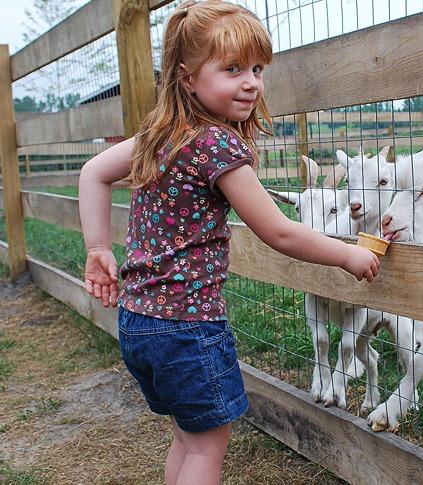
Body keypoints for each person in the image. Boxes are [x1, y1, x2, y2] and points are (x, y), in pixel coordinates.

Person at [78, 2, 379, 484]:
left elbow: (92, 171)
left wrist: (98, 248)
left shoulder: (158, 138)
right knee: (205, 450)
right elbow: (277, 230)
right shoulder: (217, 145)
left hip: (139, 322)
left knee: (188, 438)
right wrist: (346, 253)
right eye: (233, 68)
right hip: (186, 326)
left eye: (258, 69)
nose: (251, 82)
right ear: (187, 77)